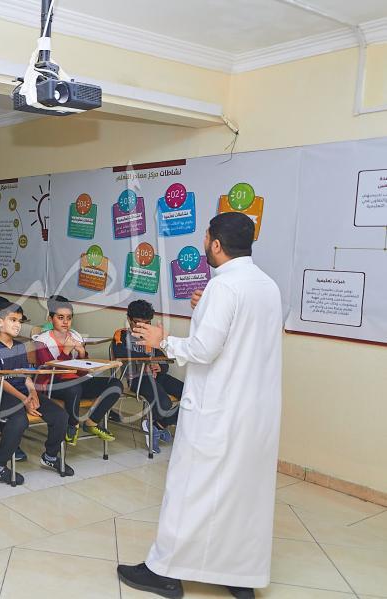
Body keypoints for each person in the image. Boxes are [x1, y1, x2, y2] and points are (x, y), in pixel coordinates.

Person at [117, 213, 283, 599]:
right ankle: (239, 575)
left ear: (217, 244)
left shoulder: (223, 288)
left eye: (206, 237)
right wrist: (205, 305)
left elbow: (204, 349)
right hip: (255, 415)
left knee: (188, 490)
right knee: (242, 494)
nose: (204, 242)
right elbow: (241, 335)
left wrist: (162, 340)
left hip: (216, 411)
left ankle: (164, 572)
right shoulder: (267, 286)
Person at [0, 301, 73, 485]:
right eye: (13, 320)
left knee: (60, 416)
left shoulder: (20, 346)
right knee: (19, 420)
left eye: (20, 321)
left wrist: (33, 394)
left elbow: (26, 376)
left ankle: (50, 456)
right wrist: (24, 400)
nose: (17, 325)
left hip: (23, 392)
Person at [32, 295, 122, 445]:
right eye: (60, 317)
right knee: (74, 388)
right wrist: (66, 351)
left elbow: (83, 371)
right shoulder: (42, 340)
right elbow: (48, 370)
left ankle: (91, 423)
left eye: (69, 318)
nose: (65, 322)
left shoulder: (76, 336)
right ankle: (72, 425)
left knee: (115, 384)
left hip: (76, 382)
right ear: (50, 319)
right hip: (51, 384)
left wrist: (81, 354)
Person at [111, 299, 181, 454]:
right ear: (129, 319)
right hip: (137, 379)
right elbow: (120, 353)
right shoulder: (121, 335)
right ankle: (152, 424)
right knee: (164, 402)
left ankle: (158, 425)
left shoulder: (152, 336)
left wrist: (160, 366)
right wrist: (149, 360)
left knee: (191, 395)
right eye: (138, 323)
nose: (142, 327)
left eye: (147, 323)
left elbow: (163, 359)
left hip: (156, 377)